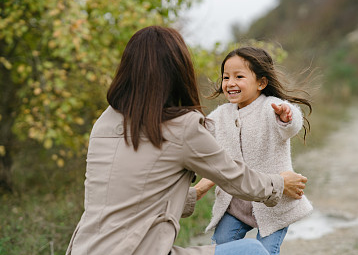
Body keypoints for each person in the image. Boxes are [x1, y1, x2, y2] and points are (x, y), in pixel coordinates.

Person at [65, 26, 308, 255]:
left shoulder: (104, 122)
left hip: (84, 249)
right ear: (177, 71)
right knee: (253, 251)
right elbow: (236, 178)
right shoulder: (182, 126)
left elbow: (128, 201)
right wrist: (278, 183)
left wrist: (197, 190)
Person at [196, 46, 313, 255]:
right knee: (222, 244)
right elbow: (201, 134)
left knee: (266, 250)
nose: (230, 83)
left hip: (274, 204)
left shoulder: (272, 107)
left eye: (239, 76)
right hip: (235, 204)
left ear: (261, 82)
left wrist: (287, 116)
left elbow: (292, 122)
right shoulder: (221, 115)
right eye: (226, 77)